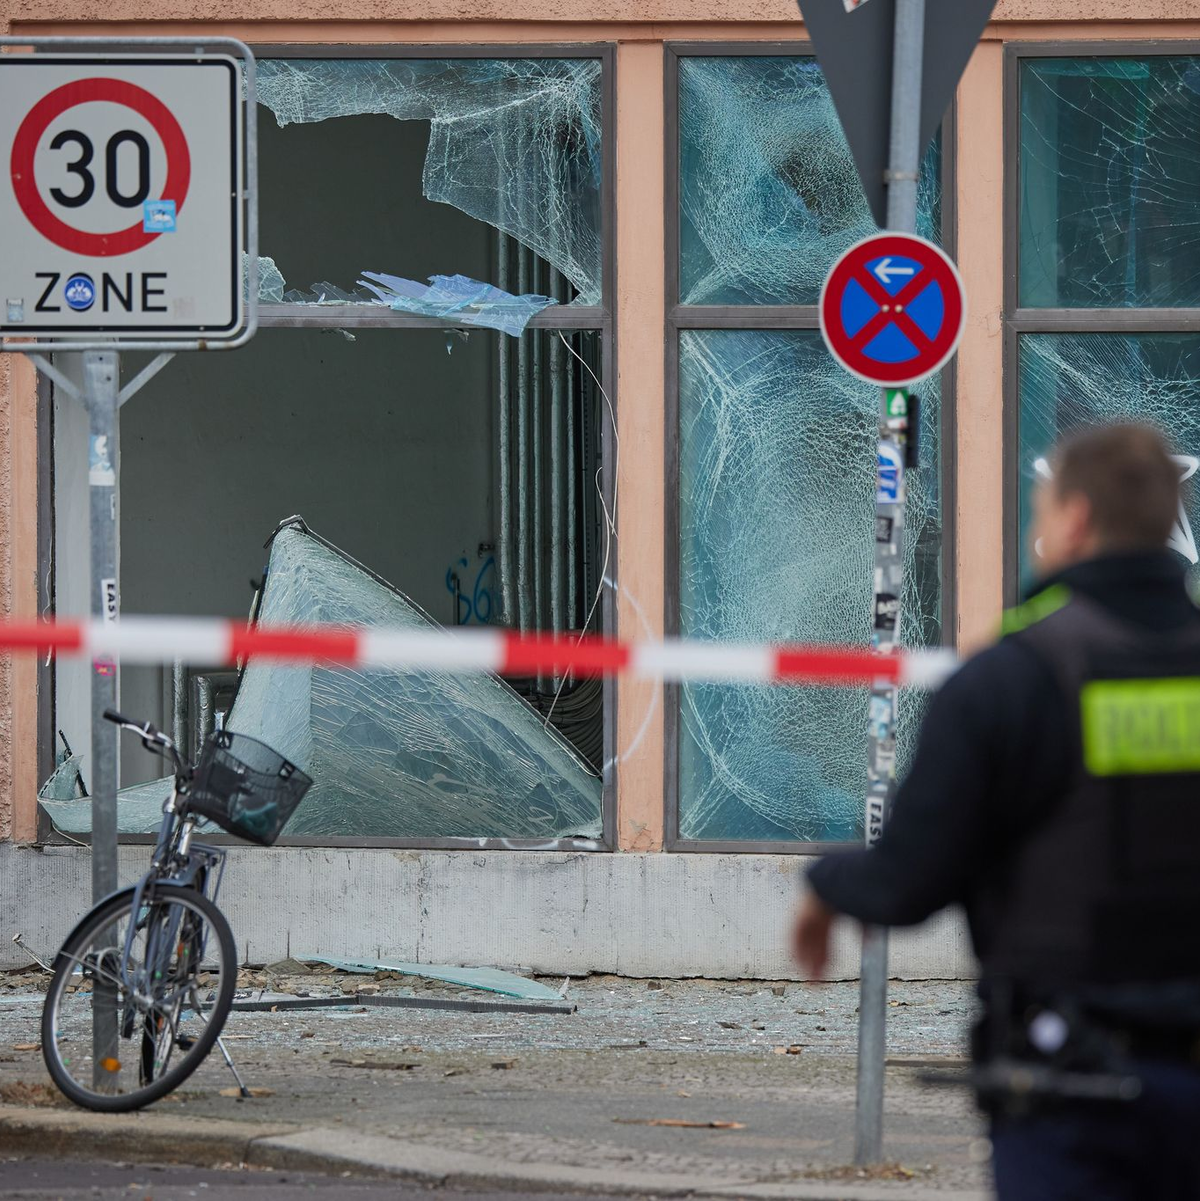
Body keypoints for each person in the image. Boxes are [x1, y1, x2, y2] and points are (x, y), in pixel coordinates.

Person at [793, 422, 1200, 1200]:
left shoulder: (1013, 677)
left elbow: (908, 878)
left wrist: (824, 888)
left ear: (1075, 519)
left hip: (1073, 1093)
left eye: (1040, 511)